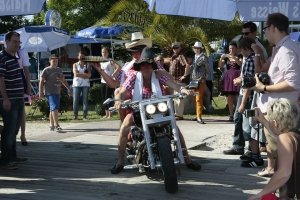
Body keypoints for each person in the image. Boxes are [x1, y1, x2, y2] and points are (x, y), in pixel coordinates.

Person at [110, 47, 201, 174]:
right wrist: (118, 100)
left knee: (176, 130)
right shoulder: (133, 77)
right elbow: (122, 91)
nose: (145, 67)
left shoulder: (159, 76)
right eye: (143, 65)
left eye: (148, 65)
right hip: (139, 110)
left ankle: (188, 160)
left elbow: (174, 85)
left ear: (153, 66)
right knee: (124, 127)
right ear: (139, 67)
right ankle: (120, 162)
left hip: (159, 110)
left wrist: (184, 90)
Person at [251, 13, 300, 178]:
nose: (264, 33)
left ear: (272, 27)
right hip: (278, 112)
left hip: (281, 114)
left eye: (264, 29)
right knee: (282, 160)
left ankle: (286, 193)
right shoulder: (281, 48)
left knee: (284, 162)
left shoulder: (286, 50)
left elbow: (293, 83)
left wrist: (264, 88)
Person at [223, 22, 268, 159]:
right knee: (240, 119)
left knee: (249, 125)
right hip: (246, 94)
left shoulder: (257, 51)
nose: (243, 36)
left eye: (246, 34)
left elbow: (252, 79)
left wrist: (242, 81)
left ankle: (251, 152)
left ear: (254, 34)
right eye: (242, 33)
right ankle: (241, 147)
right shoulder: (251, 55)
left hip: (249, 96)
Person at [248, 99, 300, 200]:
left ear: (275, 123)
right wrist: (263, 120)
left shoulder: (285, 138)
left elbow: (284, 173)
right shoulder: (295, 135)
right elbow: (278, 137)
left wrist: (261, 193)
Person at [0, 31, 28, 170]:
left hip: (18, 98)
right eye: (14, 41)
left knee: (14, 130)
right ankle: (5, 160)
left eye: (18, 42)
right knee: (9, 130)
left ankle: (12, 156)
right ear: (7, 42)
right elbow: (1, 80)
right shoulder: (2, 58)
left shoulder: (15, 57)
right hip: (9, 100)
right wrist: (5, 99)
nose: (17, 44)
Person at [39, 54, 73, 132]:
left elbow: (63, 80)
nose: (55, 63)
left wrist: (69, 89)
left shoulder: (59, 70)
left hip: (57, 91)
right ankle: (57, 125)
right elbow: (41, 81)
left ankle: (51, 125)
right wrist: (41, 92)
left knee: (53, 108)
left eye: (56, 61)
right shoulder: (46, 70)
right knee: (54, 107)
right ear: (50, 61)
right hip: (49, 92)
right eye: (53, 61)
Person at [219, 42, 242, 122]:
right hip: (229, 77)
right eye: (230, 49)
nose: (231, 50)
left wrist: (234, 58)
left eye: (233, 48)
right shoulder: (226, 57)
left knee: (238, 95)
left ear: (236, 49)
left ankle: (239, 113)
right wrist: (221, 58)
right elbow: (220, 66)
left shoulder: (239, 56)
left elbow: (240, 64)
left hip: (237, 76)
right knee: (230, 96)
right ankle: (231, 115)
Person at [169, 41, 190, 120]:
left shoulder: (181, 56)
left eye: (177, 47)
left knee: (180, 98)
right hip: (175, 81)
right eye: (174, 48)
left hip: (180, 81)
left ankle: (179, 115)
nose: (175, 49)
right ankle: (177, 114)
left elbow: (187, 65)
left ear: (180, 47)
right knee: (176, 97)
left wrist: (184, 75)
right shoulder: (174, 56)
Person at [190, 42, 210, 124]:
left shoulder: (204, 57)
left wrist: (204, 77)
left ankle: (199, 117)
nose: (196, 49)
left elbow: (207, 69)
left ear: (200, 49)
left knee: (198, 98)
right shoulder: (194, 57)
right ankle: (198, 114)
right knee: (195, 98)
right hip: (193, 80)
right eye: (195, 48)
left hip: (200, 80)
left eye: (197, 48)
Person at [100, 47, 121, 119]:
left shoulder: (110, 61)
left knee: (108, 97)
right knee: (103, 98)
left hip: (109, 81)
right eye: (103, 52)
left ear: (108, 53)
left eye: (105, 52)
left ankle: (110, 114)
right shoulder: (101, 62)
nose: (104, 54)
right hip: (103, 81)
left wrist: (113, 74)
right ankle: (106, 114)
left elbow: (118, 67)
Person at [16, 48, 31, 146]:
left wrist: (28, 85)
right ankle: (11, 135)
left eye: (19, 42)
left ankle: (23, 134)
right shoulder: (3, 54)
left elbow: (26, 69)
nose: (17, 44)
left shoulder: (22, 52)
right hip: (8, 78)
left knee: (21, 109)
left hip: (20, 77)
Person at [72, 51, 91, 120]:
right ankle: (75, 115)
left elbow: (89, 75)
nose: (81, 57)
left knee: (85, 100)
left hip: (85, 84)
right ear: (78, 56)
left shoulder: (88, 65)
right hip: (76, 84)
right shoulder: (75, 64)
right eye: (80, 56)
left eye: (83, 56)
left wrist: (80, 75)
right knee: (75, 100)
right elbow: (75, 74)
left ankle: (85, 115)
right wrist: (85, 75)